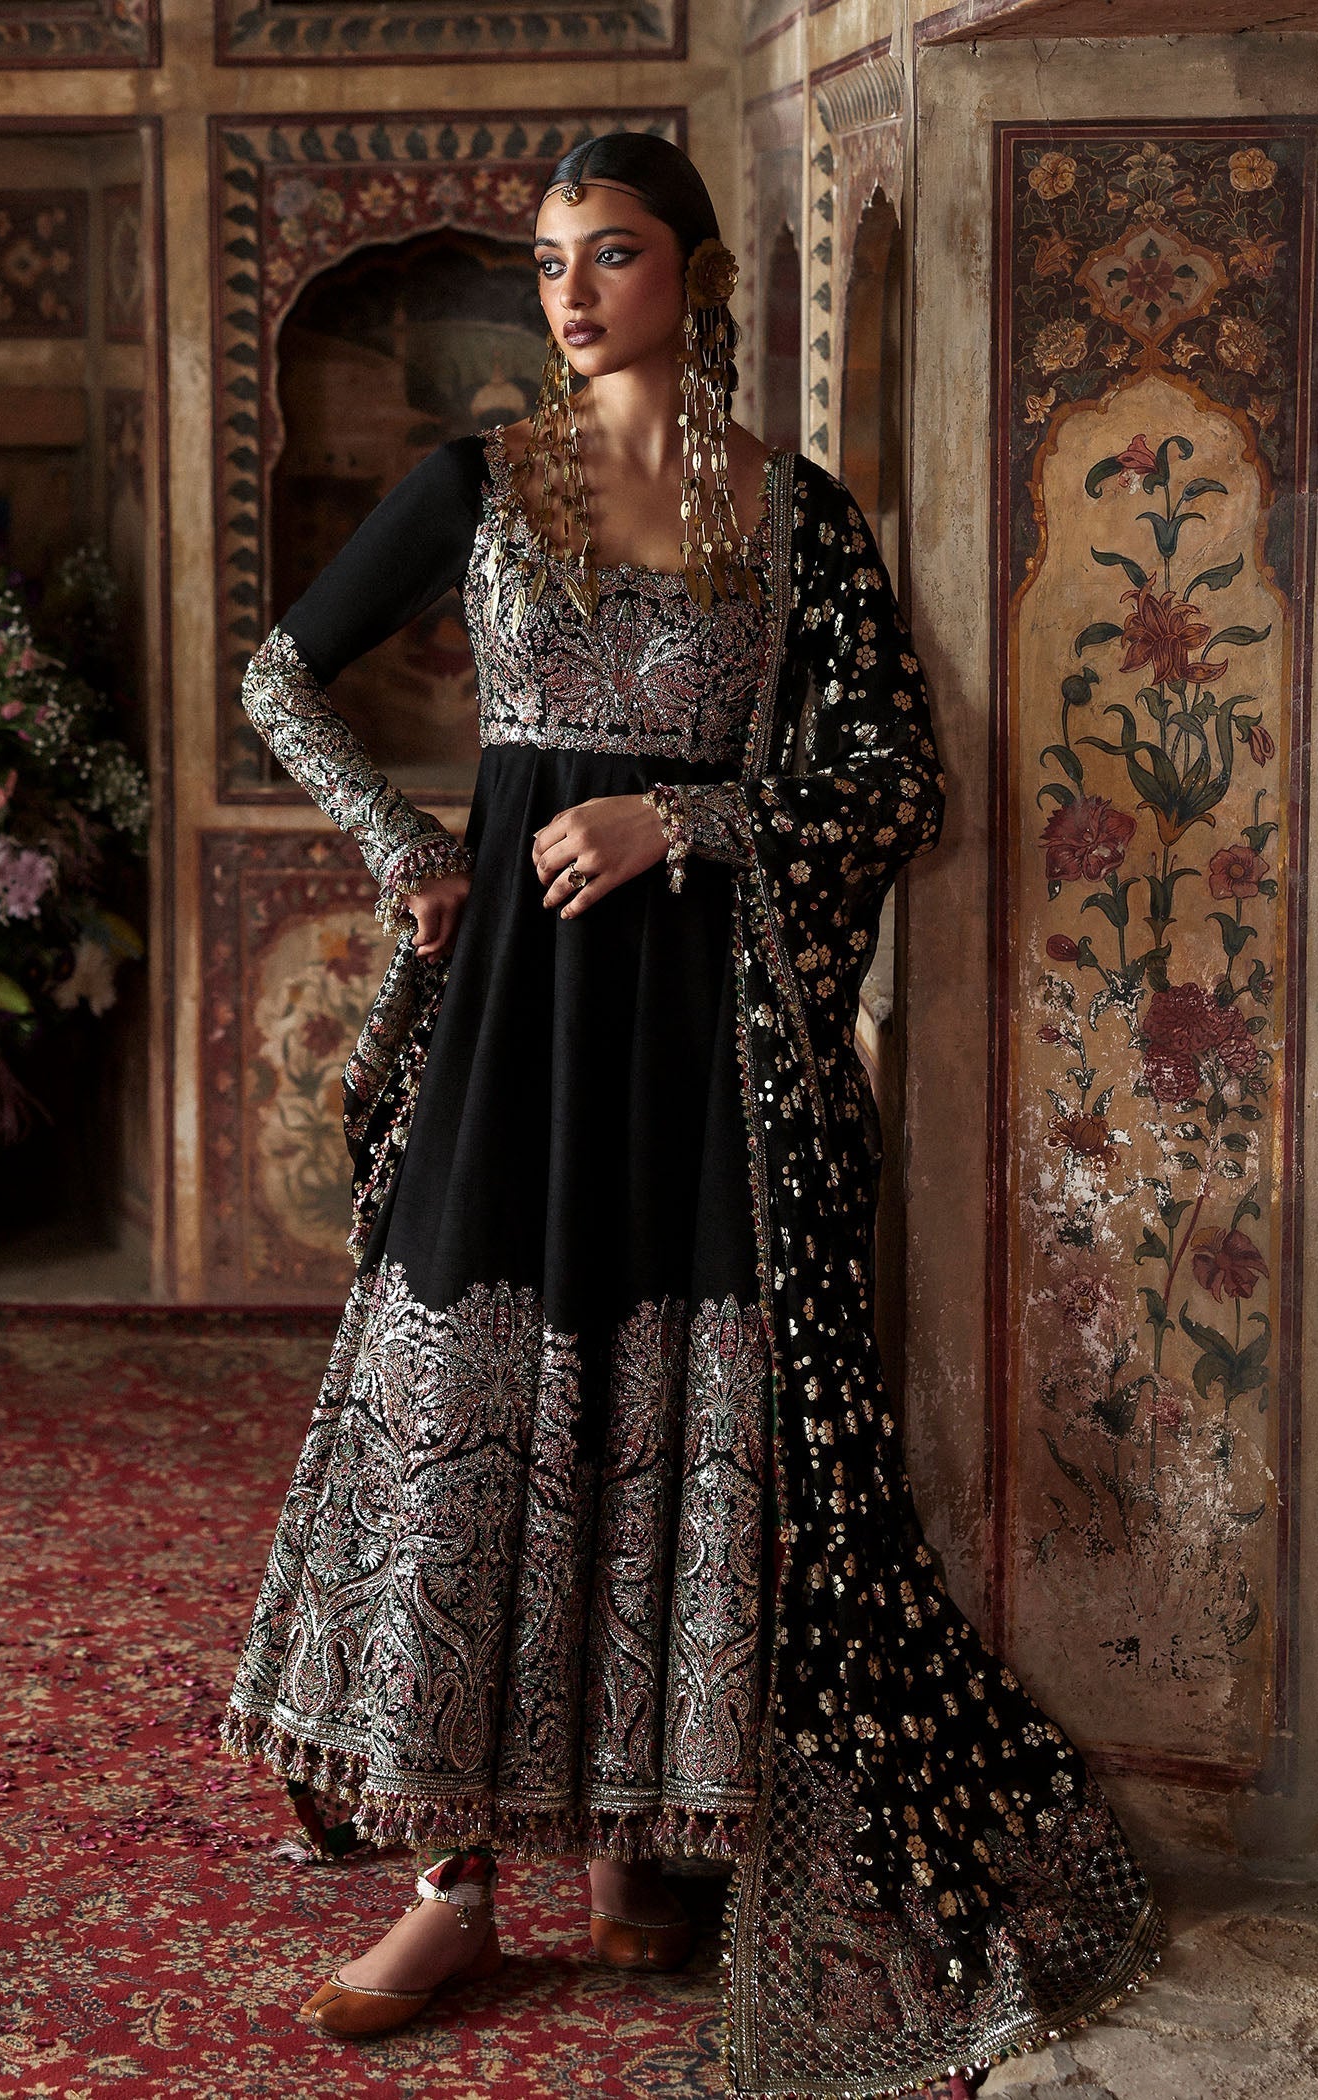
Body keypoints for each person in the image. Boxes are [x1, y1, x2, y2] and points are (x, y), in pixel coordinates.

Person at [221, 131, 1164, 2100]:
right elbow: (280, 679)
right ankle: (453, 1885)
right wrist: (407, 845)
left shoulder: (794, 517)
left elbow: (894, 777)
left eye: (614, 254)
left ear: (698, 275)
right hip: (517, 1017)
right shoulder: (477, 485)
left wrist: (687, 817)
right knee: (472, 1406)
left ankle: (645, 1846)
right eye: (552, 261)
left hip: (710, 1030)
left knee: (672, 1411)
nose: (571, 294)